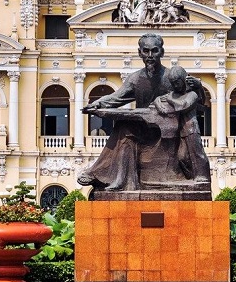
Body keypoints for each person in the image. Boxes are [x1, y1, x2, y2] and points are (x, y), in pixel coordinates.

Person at [78, 33, 203, 191]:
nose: (150, 56)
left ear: (162, 52)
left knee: (126, 128)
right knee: (123, 128)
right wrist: (97, 104)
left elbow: (195, 102)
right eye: (146, 51)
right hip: (144, 127)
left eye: (154, 51)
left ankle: (102, 175)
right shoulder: (135, 78)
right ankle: (117, 180)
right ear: (140, 53)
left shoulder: (171, 77)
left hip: (169, 131)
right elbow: (116, 98)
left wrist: (197, 86)